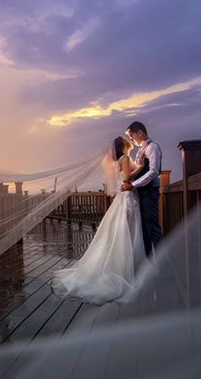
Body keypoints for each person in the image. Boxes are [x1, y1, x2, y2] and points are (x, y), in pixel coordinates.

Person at [50, 137, 147, 304]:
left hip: (124, 198)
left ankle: (124, 267)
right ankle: (127, 270)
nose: (129, 143)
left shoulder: (118, 161)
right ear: (123, 146)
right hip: (129, 197)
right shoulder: (125, 159)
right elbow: (127, 178)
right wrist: (142, 167)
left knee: (120, 232)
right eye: (127, 142)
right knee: (126, 232)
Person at [120, 121, 163, 258]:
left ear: (140, 132)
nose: (132, 139)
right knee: (144, 229)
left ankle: (164, 263)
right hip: (143, 193)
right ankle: (148, 261)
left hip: (150, 192)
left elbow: (153, 172)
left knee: (152, 228)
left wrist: (133, 185)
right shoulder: (141, 149)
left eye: (132, 135)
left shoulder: (152, 147)